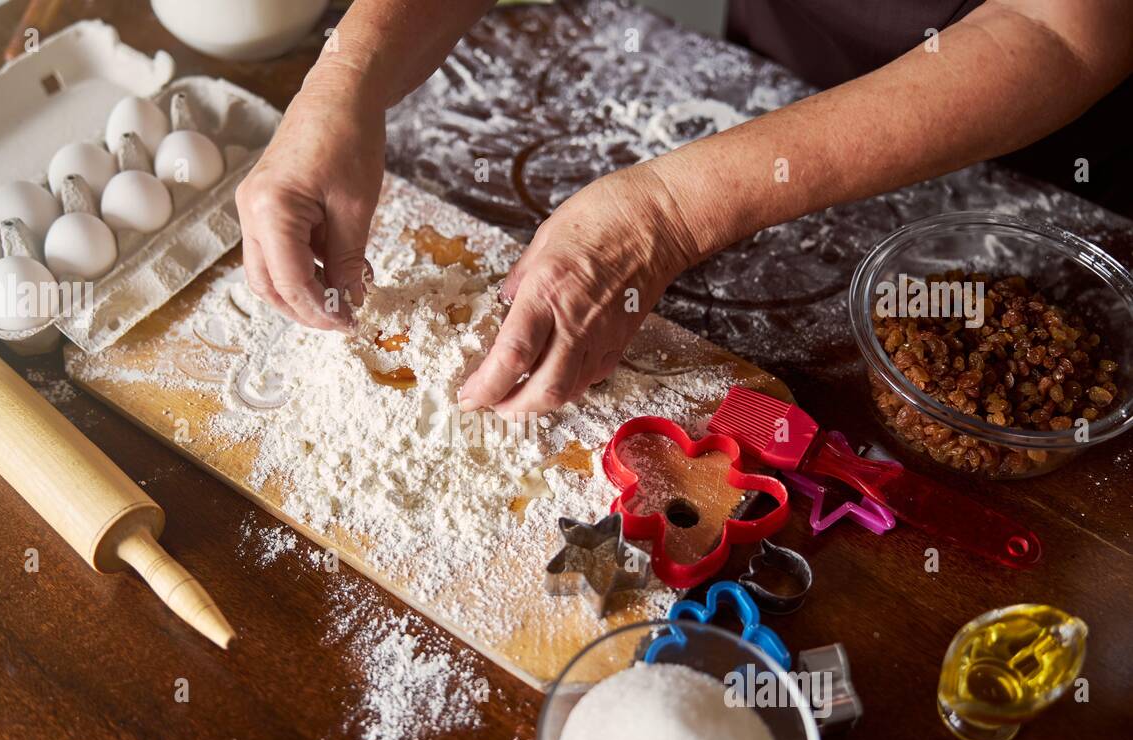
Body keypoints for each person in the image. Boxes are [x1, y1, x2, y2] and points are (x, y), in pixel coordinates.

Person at [234, 0, 1133, 414]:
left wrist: (668, 210)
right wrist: (343, 82)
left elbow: (1061, 27)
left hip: (1041, 158)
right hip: (781, 63)